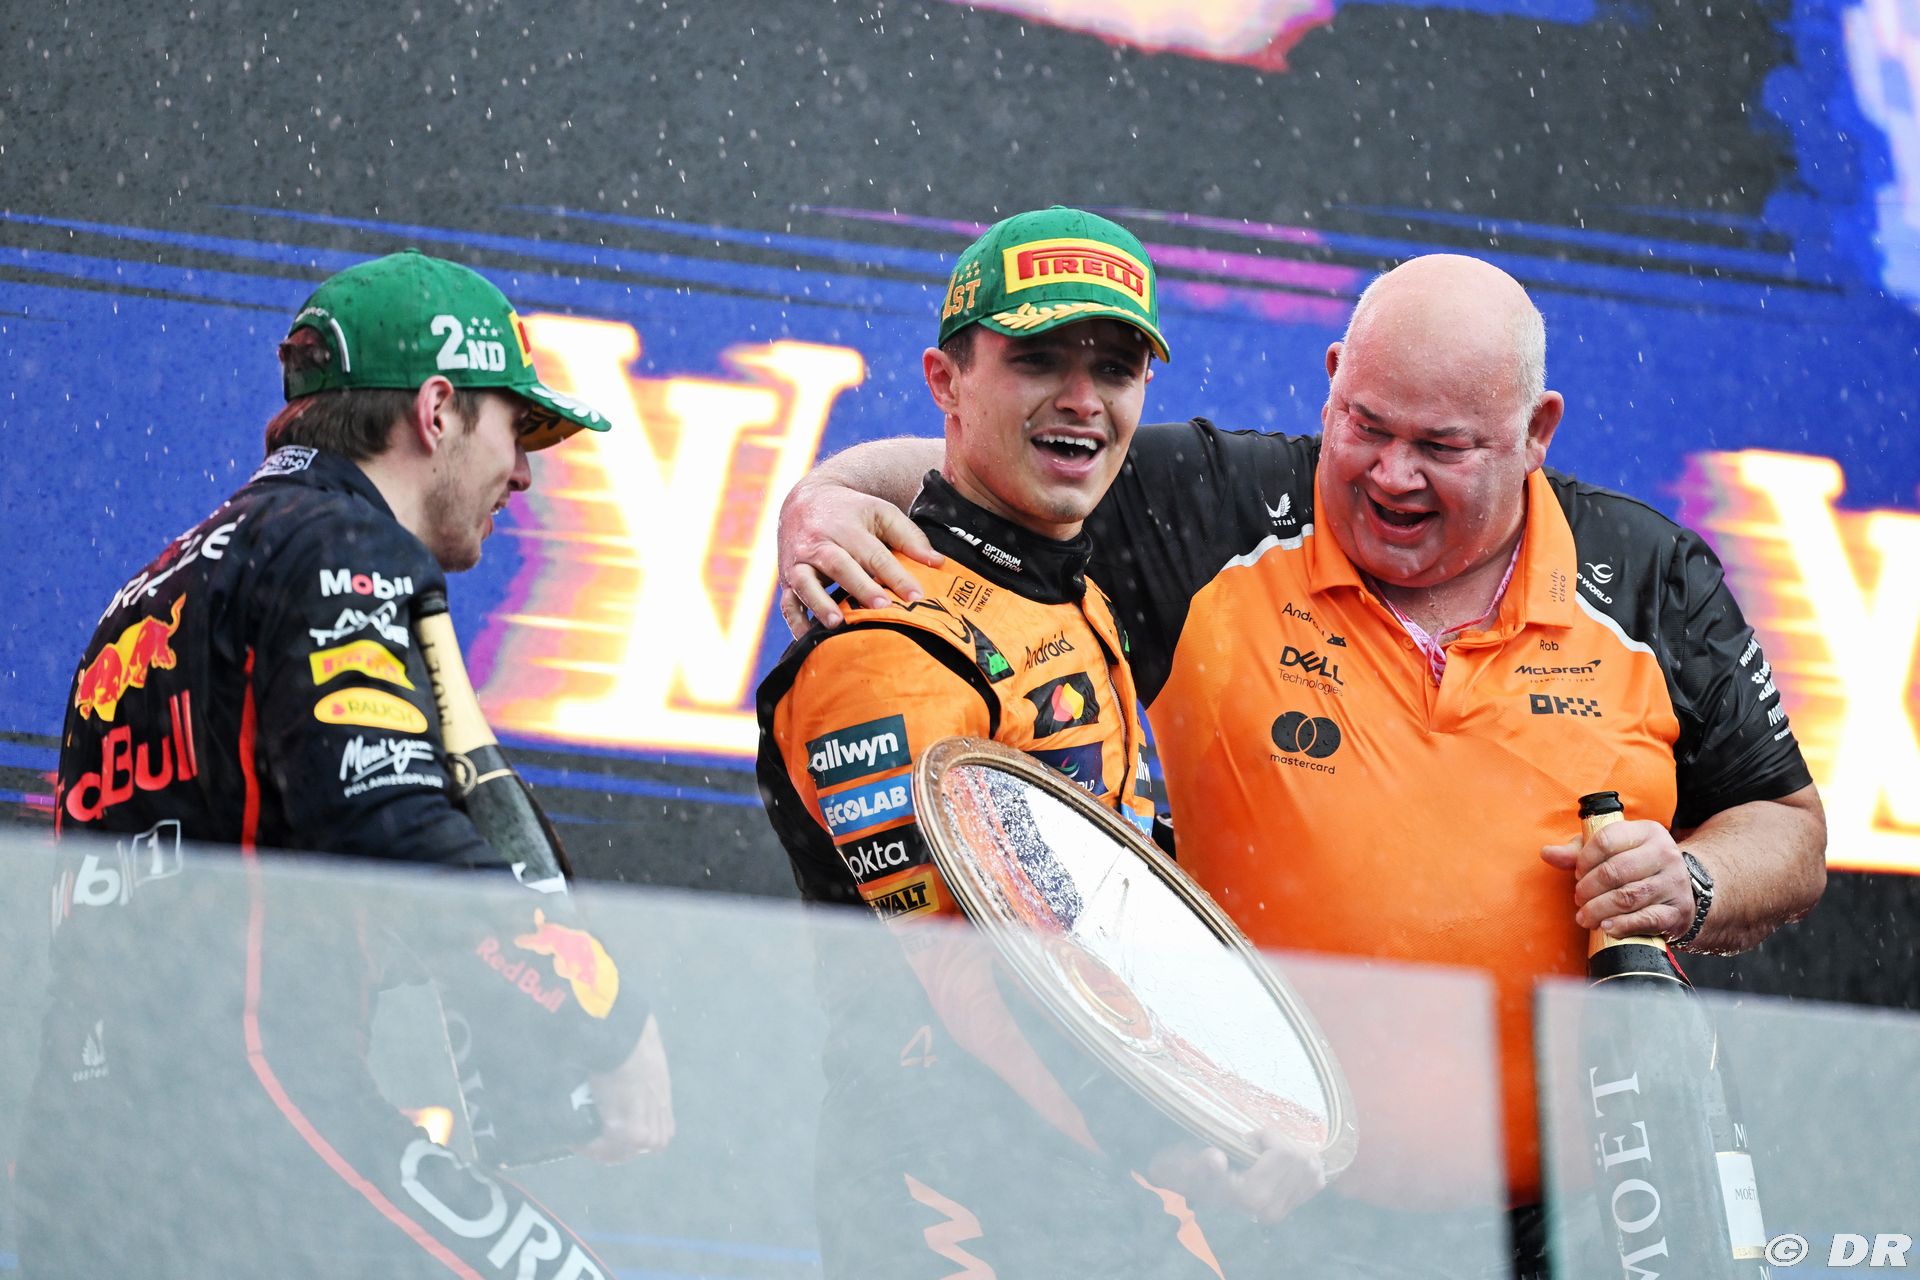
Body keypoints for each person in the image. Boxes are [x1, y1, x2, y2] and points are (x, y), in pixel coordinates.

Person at [773, 253, 1827, 1275]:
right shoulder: (1212, 509)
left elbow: (1787, 826)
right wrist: (822, 497)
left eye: (1443, 446)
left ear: (1536, 431)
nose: (1393, 474)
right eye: (1366, 426)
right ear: (1331, 383)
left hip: (1601, 1213)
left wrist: (1694, 883)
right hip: (1276, 1207)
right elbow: (1007, 460)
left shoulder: (1649, 577)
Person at [22, 250, 672, 1279]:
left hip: (81, 1160)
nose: (525, 473)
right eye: (516, 429)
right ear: (438, 411)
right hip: (251, 1127)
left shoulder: (147, 593)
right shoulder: (338, 544)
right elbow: (381, 817)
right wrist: (601, 1018)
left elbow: (233, 862)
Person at [757, 207, 1323, 1278]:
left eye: (1114, 367)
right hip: (950, 1191)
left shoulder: (1072, 588)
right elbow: (964, 976)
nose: (1081, 398)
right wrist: (1177, 1141)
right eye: (1037, 360)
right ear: (946, 380)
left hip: (1096, 1179)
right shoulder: (886, 643)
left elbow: (1102, 915)